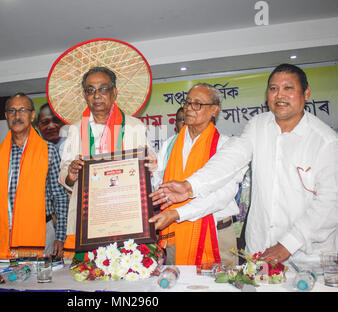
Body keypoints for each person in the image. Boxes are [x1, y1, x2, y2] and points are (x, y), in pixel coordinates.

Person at [150, 64, 338, 264]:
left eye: (288, 88)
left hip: (307, 256)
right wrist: (190, 186)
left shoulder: (326, 142)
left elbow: (330, 203)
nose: (279, 95)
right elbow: (232, 158)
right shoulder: (258, 125)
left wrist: (289, 243)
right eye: (273, 89)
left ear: (306, 92)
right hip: (259, 249)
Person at [58, 66, 156, 260]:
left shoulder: (134, 126)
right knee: (86, 277)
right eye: (90, 90)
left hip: (126, 216)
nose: (97, 95)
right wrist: (70, 173)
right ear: (85, 95)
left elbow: (150, 166)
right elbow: (64, 175)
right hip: (87, 219)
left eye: (103, 89)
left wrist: (150, 166)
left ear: (114, 92)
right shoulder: (75, 130)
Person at [149, 83, 246, 265]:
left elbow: (221, 197)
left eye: (198, 104)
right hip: (175, 235)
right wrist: (152, 172)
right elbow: (160, 188)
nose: (189, 108)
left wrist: (177, 213)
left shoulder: (226, 146)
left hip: (216, 237)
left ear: (214, 110)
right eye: (187, 102)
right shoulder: (170, 145)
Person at [0, 93, 69, 260]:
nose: (17, 116)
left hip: (40, 233)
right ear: (6, 116)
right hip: (1, 234)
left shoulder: (48, 150)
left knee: (38, 284)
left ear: (32, 116)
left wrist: (61, 237)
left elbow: (60, 196)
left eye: (22, 110)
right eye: (12, 111)